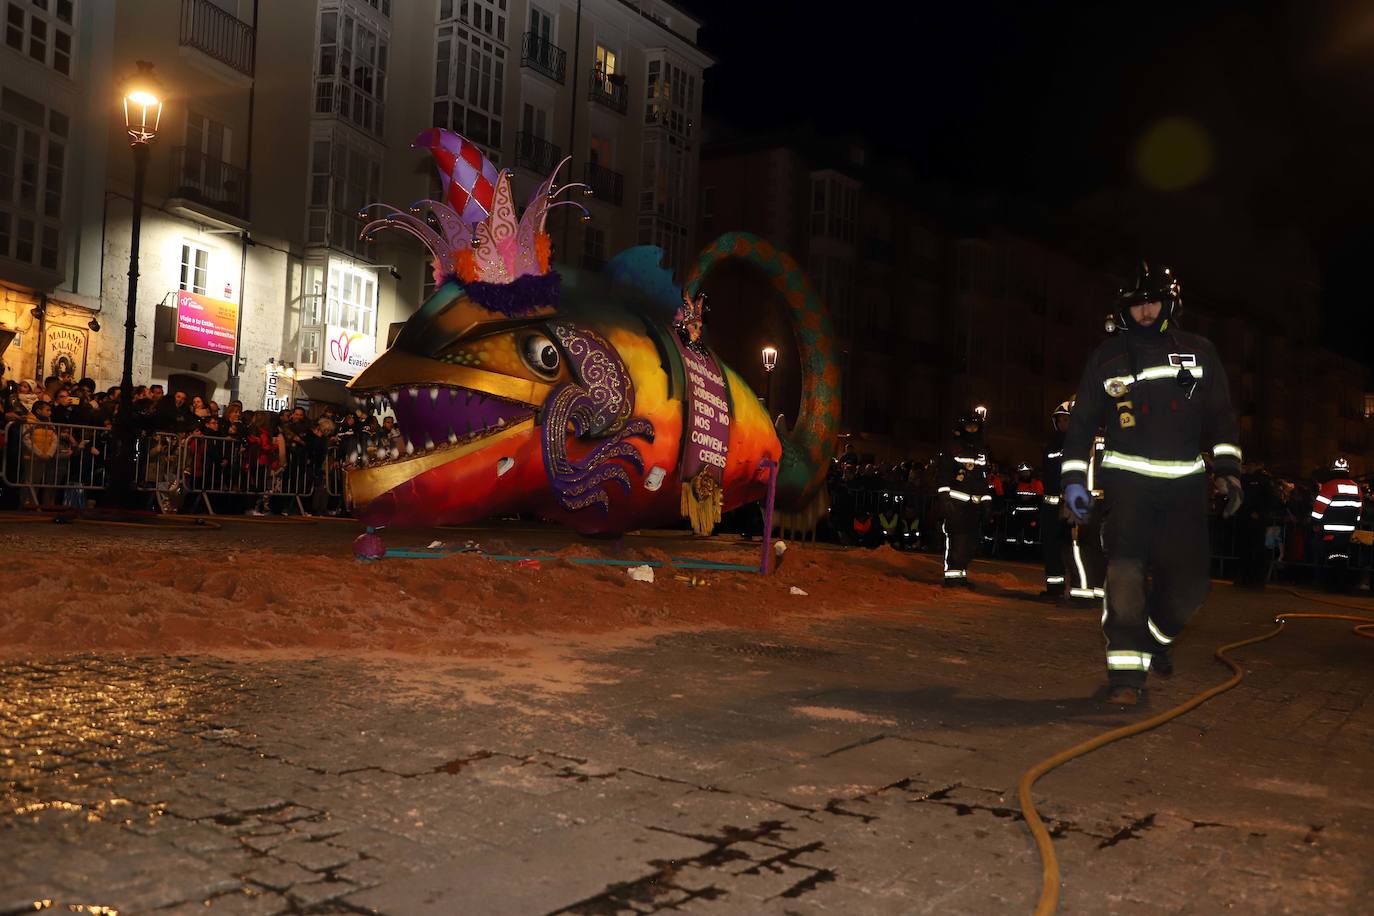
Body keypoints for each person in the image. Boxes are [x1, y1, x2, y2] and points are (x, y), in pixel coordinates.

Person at [1061, 261, 1243, 706]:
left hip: (1183, 488)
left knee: (1189, 587)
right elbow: (1081, 424)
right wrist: (1071, 482)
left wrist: (1229, 472)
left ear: (1170, 303)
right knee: (1123, 576)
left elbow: (1221, 416)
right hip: (1128, 487)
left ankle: (1156, 637)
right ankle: (1126, 678)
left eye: (1153, 302)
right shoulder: (1106, 357)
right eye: (1137, 304)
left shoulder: (1199, 352)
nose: (1145, 311)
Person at [936, 407, 994, 588]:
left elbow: (983, 479)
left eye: (975, 426)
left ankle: (961, 575)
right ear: (962, 427)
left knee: (969, 543)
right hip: (956, 504)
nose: (972, 429)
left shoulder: (981, 451)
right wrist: (944, 498)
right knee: (956, 540)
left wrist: (986, 503)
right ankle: (952, 577)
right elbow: (943, 474)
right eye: (969, 426)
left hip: (973, 506)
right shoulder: (952, 447)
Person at [1310, 457, 1362, 592]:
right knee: (1342, 557)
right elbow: (1359, 509)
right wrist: (1355, 524)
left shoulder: (1330, 486)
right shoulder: (1356, 487)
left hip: (1329, 530)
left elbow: (1319, 508)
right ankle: (1341, 584)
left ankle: (1325, 583)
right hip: (1348, 530)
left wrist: (1315, 522)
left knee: (1325, 556)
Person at [1040, 400, 1073, 598]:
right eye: (1059, 420)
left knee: (1074, 548)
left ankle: (1077, 587)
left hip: (1071, 506)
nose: (1062, 424)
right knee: (1051, 548)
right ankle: (1054, 587)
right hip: (1051, 506)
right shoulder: (1050, 445)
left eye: (1066, 420)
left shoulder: (1081, 445)